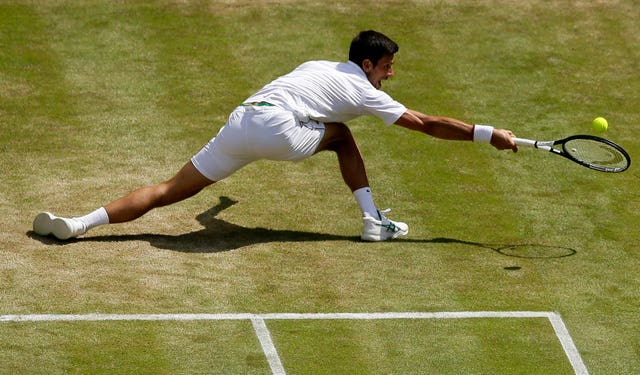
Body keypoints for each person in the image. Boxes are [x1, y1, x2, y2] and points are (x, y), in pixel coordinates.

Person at [33, 30, 517, 243]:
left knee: (167, 191)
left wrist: (216, 212)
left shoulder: (318, 66)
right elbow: (427, 124)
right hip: (280, 130)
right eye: (387, 68)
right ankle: (373, 223)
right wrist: (487, 133)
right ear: (367, 64)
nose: (390, 76)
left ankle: (77, 224)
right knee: (343, 136)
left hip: (242, 121)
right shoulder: (362, 89)